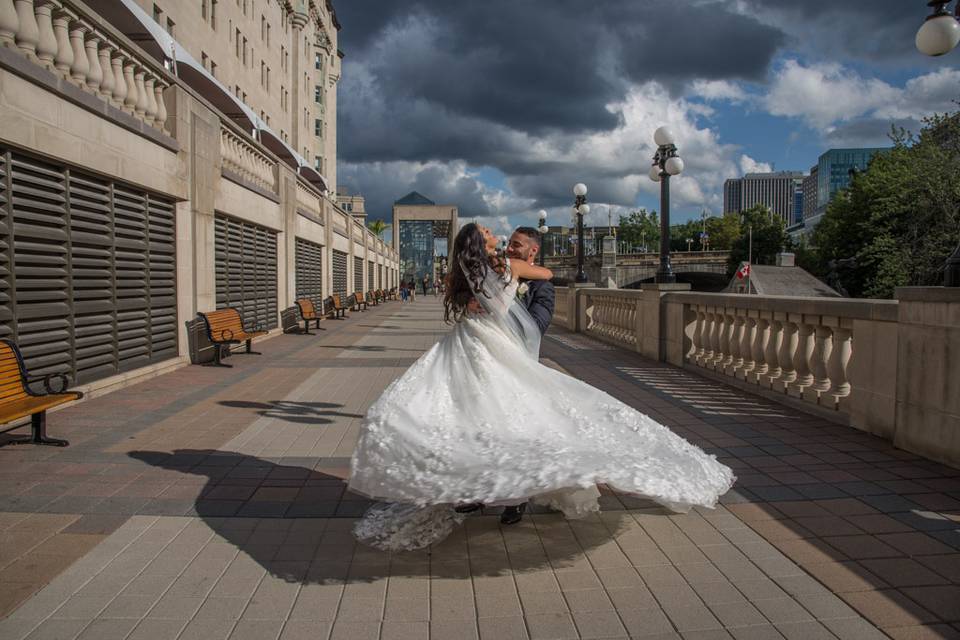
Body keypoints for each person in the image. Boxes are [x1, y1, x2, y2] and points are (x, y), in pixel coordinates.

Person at [349, 223, 734, 551]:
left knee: (478, 416)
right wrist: (517, 270)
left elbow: (501, 309)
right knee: (496, 417)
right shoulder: (505, 265)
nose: (497, 235)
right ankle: (489, 490)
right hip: (491, 348)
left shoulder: (467, 270)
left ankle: (492, 492)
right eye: (489, 233)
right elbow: (547, 275)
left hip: (477, 346)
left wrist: (503, 283)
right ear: (480, 243)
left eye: (507, 238)